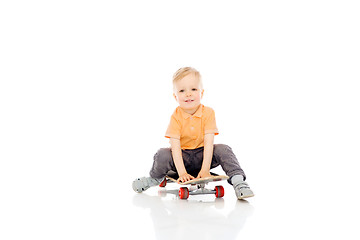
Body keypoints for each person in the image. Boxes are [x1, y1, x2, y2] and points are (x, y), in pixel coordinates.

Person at [132, 67, 254, 199]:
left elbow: (209, 142)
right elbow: (175, 147)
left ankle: (238, 182)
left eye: (193, 89)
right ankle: (155, 178)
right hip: (182, 157)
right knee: (162, 153)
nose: (188, 94)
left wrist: (205, 169)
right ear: (175, 96)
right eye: (182, 90)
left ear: (202, 93)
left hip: (202, 156)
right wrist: (182, 172)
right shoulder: (176, 117)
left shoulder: (208, 113)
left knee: (223, 149)